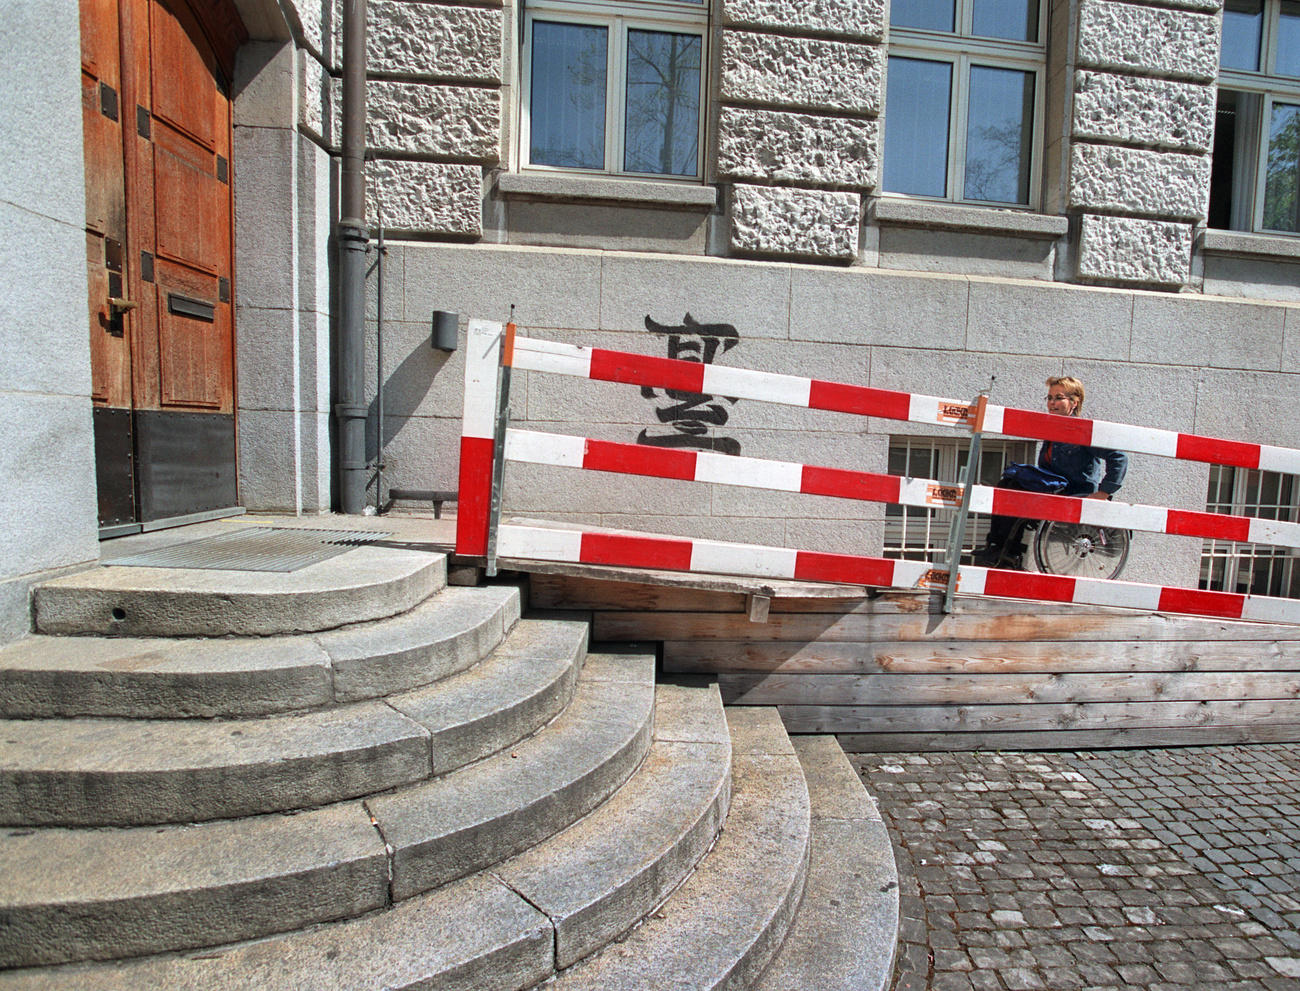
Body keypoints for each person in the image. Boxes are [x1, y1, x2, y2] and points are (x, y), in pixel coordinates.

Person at [974, 376, 1128, 568]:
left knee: (1015, 491)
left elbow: (1119, 458)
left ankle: (1008, 552)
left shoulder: (1082, 431)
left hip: (1072, 492)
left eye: (1058, 398)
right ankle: (998, 548)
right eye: (1049, 398)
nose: (1052, 403)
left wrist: (1103, 493)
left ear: (1074, 401)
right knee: (1007, 485)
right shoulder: (1052, 429)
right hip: (1051, 488)